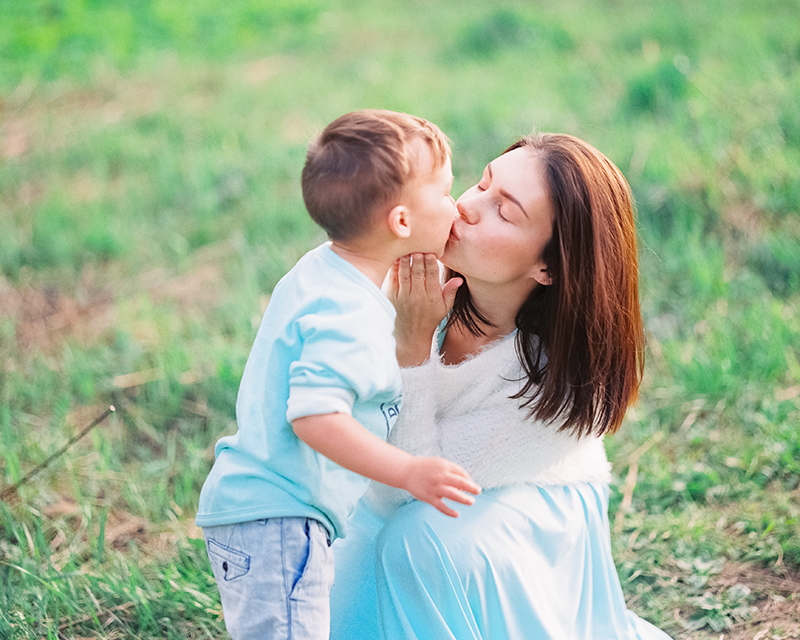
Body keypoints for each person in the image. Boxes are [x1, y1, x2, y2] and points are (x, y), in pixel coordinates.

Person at [329, 132, 674, 639]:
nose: (466, 207)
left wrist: (411, 348)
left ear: (549, 266)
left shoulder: (564, 382)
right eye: (481, 183)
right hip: (402, 493)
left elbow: (418, 493)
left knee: (418, 542)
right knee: (333, 553)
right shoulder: (419, 274)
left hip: (521, 502)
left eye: (504, 212)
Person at [195, 109, 481, 640]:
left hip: (266, 512)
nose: (457, 204)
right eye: (444, 192)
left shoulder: (325, 270)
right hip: (280, 519)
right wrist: (407, 471)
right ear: (400, 222)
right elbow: (314, 417)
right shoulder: (349, 312)